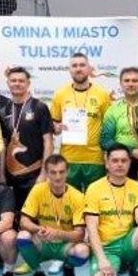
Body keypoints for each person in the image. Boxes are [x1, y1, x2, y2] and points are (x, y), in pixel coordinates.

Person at [85, 144, 138, 276]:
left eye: (124, 160)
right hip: (107, 249)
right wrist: (102, 259)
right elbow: (92, 229)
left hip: (128, 244)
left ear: (129, 163)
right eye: (115, 161)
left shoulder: (136, 186)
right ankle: (118, 266)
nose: (120, 164)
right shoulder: (94, 188)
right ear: (107, 163)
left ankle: (137, 269)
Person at [17, 155, 90, 276]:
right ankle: (38, 273)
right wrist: (38, 229)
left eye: (61, 172)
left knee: (83, 251)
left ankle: (68, 268)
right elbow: (23, 221)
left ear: (68, 172)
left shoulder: (78, 196)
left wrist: (57, 233)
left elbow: (80, 234)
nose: (58, 177)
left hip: (65, 245)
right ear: (46, 173)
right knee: (23, 236)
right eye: (53, 172)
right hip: (43, 241)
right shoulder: (38, 190)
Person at [51, 53, 112, 192]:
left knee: (95, 200)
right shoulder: (60, 94)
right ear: (69, 70)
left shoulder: (102, 94)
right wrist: (56, 128)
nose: (78, 69)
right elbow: (53, 124)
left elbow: (109, 127)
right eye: (74, 65)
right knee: (70, 201)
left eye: (82, 65)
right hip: (69, 159)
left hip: (95, 160)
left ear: (89, 68)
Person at [0, 67, 55, 212]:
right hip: (10, 177)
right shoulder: (4, 110)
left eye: (21, 81)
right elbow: (3, 145)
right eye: (13, 81)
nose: (17, 83)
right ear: (8, 83)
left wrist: (44, 173)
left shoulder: (40, 107)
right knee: (12, 218)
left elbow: (48, 141)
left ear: (28, 83)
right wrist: (1, 175)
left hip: (34, 175)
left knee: (32, 218)